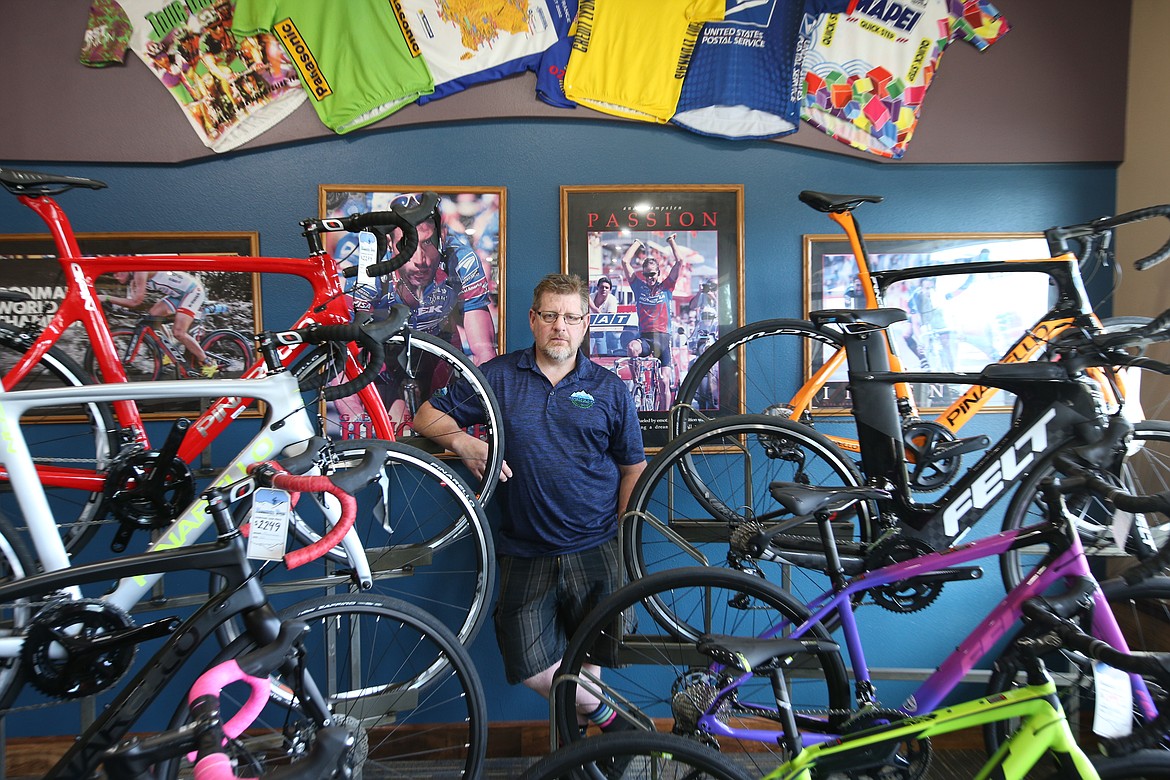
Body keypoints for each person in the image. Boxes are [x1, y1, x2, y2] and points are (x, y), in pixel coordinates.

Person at [414, 273, 647, 735]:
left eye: (571, 317)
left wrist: (625, 534)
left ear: (586, 323)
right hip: (524, 549)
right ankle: (616, 722)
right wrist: (462, 442)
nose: (560, 326)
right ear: (533, 320)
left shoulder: (609, 388)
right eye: (550, 315)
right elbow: (425, 416)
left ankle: (584, 763)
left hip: (596, 546)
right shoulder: (498, 376)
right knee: (527, 664)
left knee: (590, 661)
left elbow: (632, 468)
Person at [346, 194, 498, 432]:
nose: (420, 260)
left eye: (427, 242)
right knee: (386, 423)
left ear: (442, 237)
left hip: (437, 345)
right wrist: (358, 424)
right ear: (389, 242)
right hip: (383, 353)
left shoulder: (462, 261)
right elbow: (345, 356)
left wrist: (491, 421)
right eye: (407, 245)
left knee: (441, 420)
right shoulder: (370, 268)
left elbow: (484, 350)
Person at [99, 270, 216, 376]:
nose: (116, 277)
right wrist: (111, 306)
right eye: (113, 274)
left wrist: (107, 298)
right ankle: (170, 350)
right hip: (177, 294)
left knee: (179, 332)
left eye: (117, 272)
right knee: (153, 316)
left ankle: (208, 363)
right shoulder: (132, 280)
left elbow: (136, 302)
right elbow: (129, 304)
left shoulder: (139, 273)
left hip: (192, 291)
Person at [619, 233, 684, 409]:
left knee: (664, 382)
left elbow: (680, 262)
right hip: (646, 339)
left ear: (658, 273)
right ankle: (637, 385)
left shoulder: (666, 287)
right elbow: (625, 262)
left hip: (664, 340)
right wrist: (636, 244)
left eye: (653, 274)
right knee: (632, 348)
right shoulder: (638, 287)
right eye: (646, 275)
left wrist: (671, 242)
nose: (650, 278)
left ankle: (664, 419)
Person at [588, 275, 619, 356]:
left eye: (606, 287)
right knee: (587, 351)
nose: (604, 289)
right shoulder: (590, 297)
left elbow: (610, 318)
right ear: (597, 287)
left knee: (602, 350)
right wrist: (594, 309)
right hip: (589, 330)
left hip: (604, 330)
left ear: (610, 290)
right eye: (602, 287)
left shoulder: (612, 300)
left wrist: (597, 312)